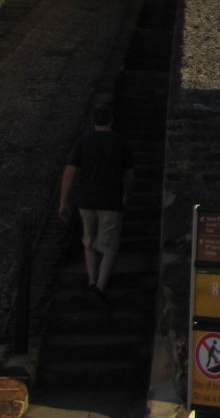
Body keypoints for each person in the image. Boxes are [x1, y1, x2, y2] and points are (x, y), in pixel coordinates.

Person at [58, 104, 134, 307]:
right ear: (111, 120)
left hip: (86, 200)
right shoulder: (121, 143)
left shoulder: (83, 142)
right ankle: (100, 285)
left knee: (89, 241)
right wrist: (127, 195)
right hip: (111, 200)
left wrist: (63, 201)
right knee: (109, 246)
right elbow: (129, 175)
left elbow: (70, 172)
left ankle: (92, 279)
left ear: (93, 121)